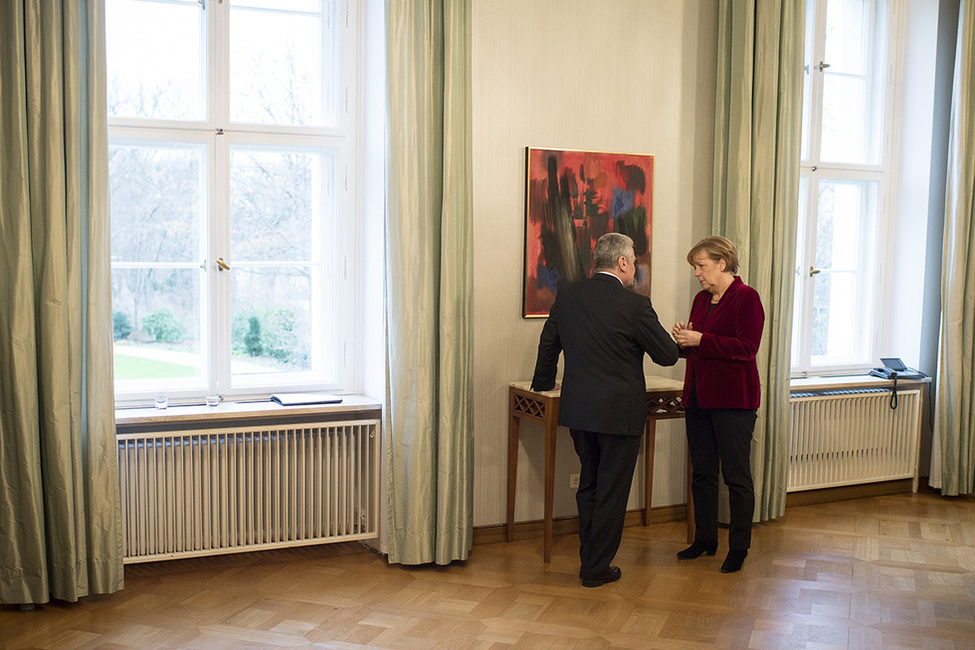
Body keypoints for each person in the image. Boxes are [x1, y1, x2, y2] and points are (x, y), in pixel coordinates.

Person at [531, 232, 679, 587]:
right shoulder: (636, 305)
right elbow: (667, 355)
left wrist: (543, 381)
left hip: (580, 409)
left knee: (590, 485)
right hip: (620, 413)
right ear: (623, 262)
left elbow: (549, 342)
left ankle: (589, 558)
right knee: (612, 490)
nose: (635, 269)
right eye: (634, 261)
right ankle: (596, 568)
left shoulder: (568, 295)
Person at [671, 236, 764, 573]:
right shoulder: (700, 299)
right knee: (703, 474)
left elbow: (746, 349)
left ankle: (738, 547)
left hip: (733, 402)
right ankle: (705, 540)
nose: (697, 273)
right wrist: (684, 340)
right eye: (695, 267)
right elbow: (699, 346)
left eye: (701, 266)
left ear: (722, 264)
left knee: (737, 478)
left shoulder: (747, 298)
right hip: (698, 398)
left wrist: (700, 340)